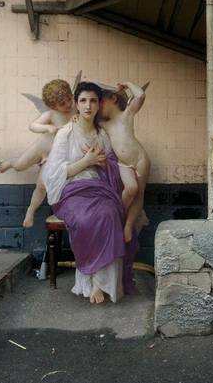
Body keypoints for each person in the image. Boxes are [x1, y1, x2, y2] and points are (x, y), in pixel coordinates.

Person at [42, 82, 136, 303]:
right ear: (76, 103)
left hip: (99, 190)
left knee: (110, 213)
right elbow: (54, 175)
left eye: (93, 100)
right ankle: (91, 279)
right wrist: (87, 161)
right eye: (83, 100)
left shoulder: (102, 135)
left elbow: (112, 167)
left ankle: (102, 284)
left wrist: (103, 164)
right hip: (71, 193)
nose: (88, 105)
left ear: (99, 104)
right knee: (86, 219)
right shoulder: (65, 134)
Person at [0, 79, 76, 228]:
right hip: (42, 147)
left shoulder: (76, 109)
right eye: (62, 104)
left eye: (69, 99)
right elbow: (32, 126)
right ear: (53, 106)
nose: (68, 104)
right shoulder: (51, 114)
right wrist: (47, 128)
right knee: (20, 165)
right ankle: (11, 162)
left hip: (54, 155)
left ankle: (31, 210)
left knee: (42, 185)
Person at [100, 81, 151, 244]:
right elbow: (84, 116)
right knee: (131, 189)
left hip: (141, 160)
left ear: (113, 99)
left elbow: (140, 95)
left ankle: (128, 226)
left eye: (101, 102)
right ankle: (118, 215)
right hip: (123, 164)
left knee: (139, 194)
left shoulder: (126, 114)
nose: (97, 108)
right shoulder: (104, 124)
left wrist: (127, 84)